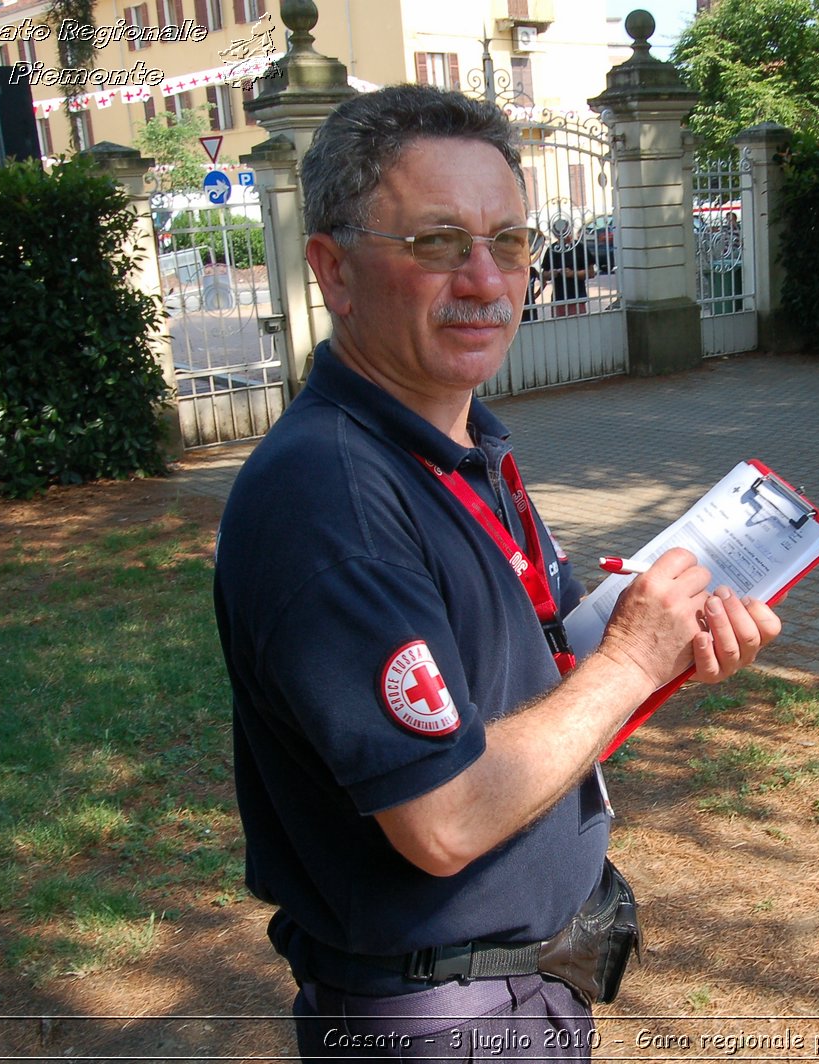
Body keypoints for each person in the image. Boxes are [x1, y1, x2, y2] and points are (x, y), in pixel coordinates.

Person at [212, 84, 781, 1061]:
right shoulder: (332, 499)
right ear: (333, 270)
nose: (485, 279)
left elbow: (539, 643)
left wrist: (668, 633)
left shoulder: (454, 439)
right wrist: (632, 663)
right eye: (436, 242)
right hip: (440, 1021)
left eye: (510, 241)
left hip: (518, 989)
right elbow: (443, 816)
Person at [542, 217, 595, 317]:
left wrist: (573, 274)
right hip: (559, 299)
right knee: (559, 329)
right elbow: (544, 274)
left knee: (578, 328)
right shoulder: (552, 250)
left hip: (577, 297)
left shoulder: (579, 247)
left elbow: (591, 272)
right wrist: (551, 273)